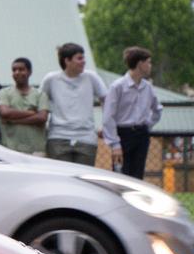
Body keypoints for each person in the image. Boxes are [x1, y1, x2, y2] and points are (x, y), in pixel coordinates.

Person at [42, 42, 108, 166]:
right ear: (67, 60)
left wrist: (105, 125)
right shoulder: (51, 79)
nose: (83, 61)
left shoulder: (91, 77)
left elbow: (107, 100)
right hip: (58, 137)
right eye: (79, 58)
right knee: (61, 180)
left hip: (86, 138)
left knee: (83, 181)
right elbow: (41, 103)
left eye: (83, 58)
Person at [102, 46, 163, 179]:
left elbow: (157, 110)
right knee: (120, 176)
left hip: (141, 135)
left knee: (138, 176)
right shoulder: (117, 86)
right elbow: (108, 116)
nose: (150, 66)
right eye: (148, 62)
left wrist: (147, 125)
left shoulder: (147, 87)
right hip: (123, 135)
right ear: (140, 64)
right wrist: (115, 144)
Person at [0, 58, 50, 156]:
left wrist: (14, 120)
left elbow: (42, 118)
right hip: (10, 150)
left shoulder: (40, 94)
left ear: (29, 72)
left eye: (21, 69)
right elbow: (5, 113)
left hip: (36, 151)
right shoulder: (4, 92)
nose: (17, 72)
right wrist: (30, 113)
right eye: (14, 70)